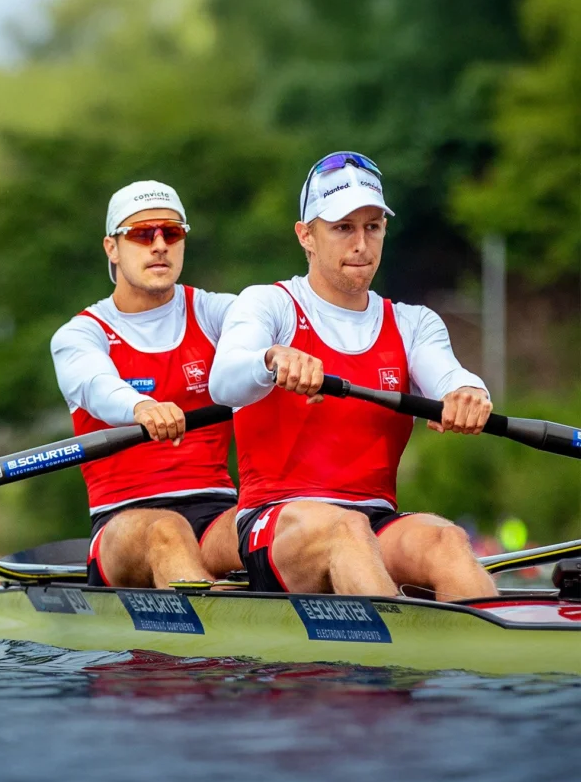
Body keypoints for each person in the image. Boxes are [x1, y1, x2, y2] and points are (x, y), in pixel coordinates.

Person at [209, 151, 498, 602]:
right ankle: (405, 656)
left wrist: (468, 393)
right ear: (306, 235)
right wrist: (270, 359)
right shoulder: (268, 304)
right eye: (343, 227)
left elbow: (449, 375)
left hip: (375, 520)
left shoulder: (413, 323)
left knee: (447, 541)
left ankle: (496, 661)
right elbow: (223, 382)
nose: (361, 244)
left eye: (372, 226)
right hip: (276, 522)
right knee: (346, 528)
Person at [51, 179, 240, 589]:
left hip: (217, 512)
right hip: (123, 520)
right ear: (112, 248)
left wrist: (281, 356)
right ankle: (220, 633)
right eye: (141, 234)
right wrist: (141, 407)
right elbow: (96, 384)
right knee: (167, 531)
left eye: (171, 233)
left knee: (286, 522)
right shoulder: (81, 335)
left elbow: (277, 332)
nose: (159, 245)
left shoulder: (217, 312)